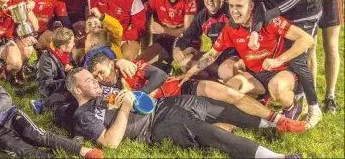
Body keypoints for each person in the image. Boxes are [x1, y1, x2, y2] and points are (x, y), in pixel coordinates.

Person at [66, 68, 303, 158]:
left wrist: (129, 96)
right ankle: (277, 158)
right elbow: (111, 143)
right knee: (208, 131)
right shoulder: (84, 114)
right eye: (89, 80)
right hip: (154, 126)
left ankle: (275, 125)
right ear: (78, 90)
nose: (96, 81)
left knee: (218, 108)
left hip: (163, 104)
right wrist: (126, 107)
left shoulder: (103, 92)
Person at [181, 0, 315, 125]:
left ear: (251, 6)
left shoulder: (270, 21)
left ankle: (292, 106)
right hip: (255, 74)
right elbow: (213, 54)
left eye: (239, 6)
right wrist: (190, 72)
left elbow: (307, 40)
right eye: (231, 6)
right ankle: (261, 99)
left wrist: (278, 60)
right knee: (230, 90)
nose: (234, 11)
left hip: (280, 72)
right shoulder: (231, 28)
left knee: (277, 88)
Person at [87, 52, 307, 133]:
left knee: (231, 95)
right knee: (221, 124)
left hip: (184, 87)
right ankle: (270, 127)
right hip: (172, 109)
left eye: (102, 72)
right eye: (96, 76)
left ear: (111, 65)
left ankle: (279, 119)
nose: (100, 78)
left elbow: (160, 76)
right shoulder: (105, 90)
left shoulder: (130, 67)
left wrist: (140, 94)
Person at [0, 61, 104, 159]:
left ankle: (84, 151)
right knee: (21, 149)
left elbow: (5, 99)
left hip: (11, 116)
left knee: (38, 135)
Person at [249, 0, 323, 128]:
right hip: (286, 14)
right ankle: (297, 96)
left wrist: (275, 12)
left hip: (306, 13)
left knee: (297, 59)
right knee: (292, 59)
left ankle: (314, 108)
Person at [173, 0, 242, 82]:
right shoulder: (203, 15)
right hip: (215, 55)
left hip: (234, 56)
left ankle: (230, 77)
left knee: (226, 72)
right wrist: (177, 48)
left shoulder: (232, 12)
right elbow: (187, 35)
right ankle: (213, 80)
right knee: (185, 63)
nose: (209, 0)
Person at [137, 0, 197, 73]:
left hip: (185, 41)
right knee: (139, 62)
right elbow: (143, 11)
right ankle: (164, 68)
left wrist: (163, 30)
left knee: (187, 66)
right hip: (166, 40)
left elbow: (186, 31)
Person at [31, 27, 76, 115]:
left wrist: (71, 70)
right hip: (48, 85)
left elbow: (74, 68)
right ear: (63, 46)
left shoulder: (67, 54)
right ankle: (41, 105)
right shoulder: (47, 58)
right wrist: (67, 82)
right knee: (70, 90)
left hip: (61, 81)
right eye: (72, 42)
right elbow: (46, 83)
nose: (74, 44)